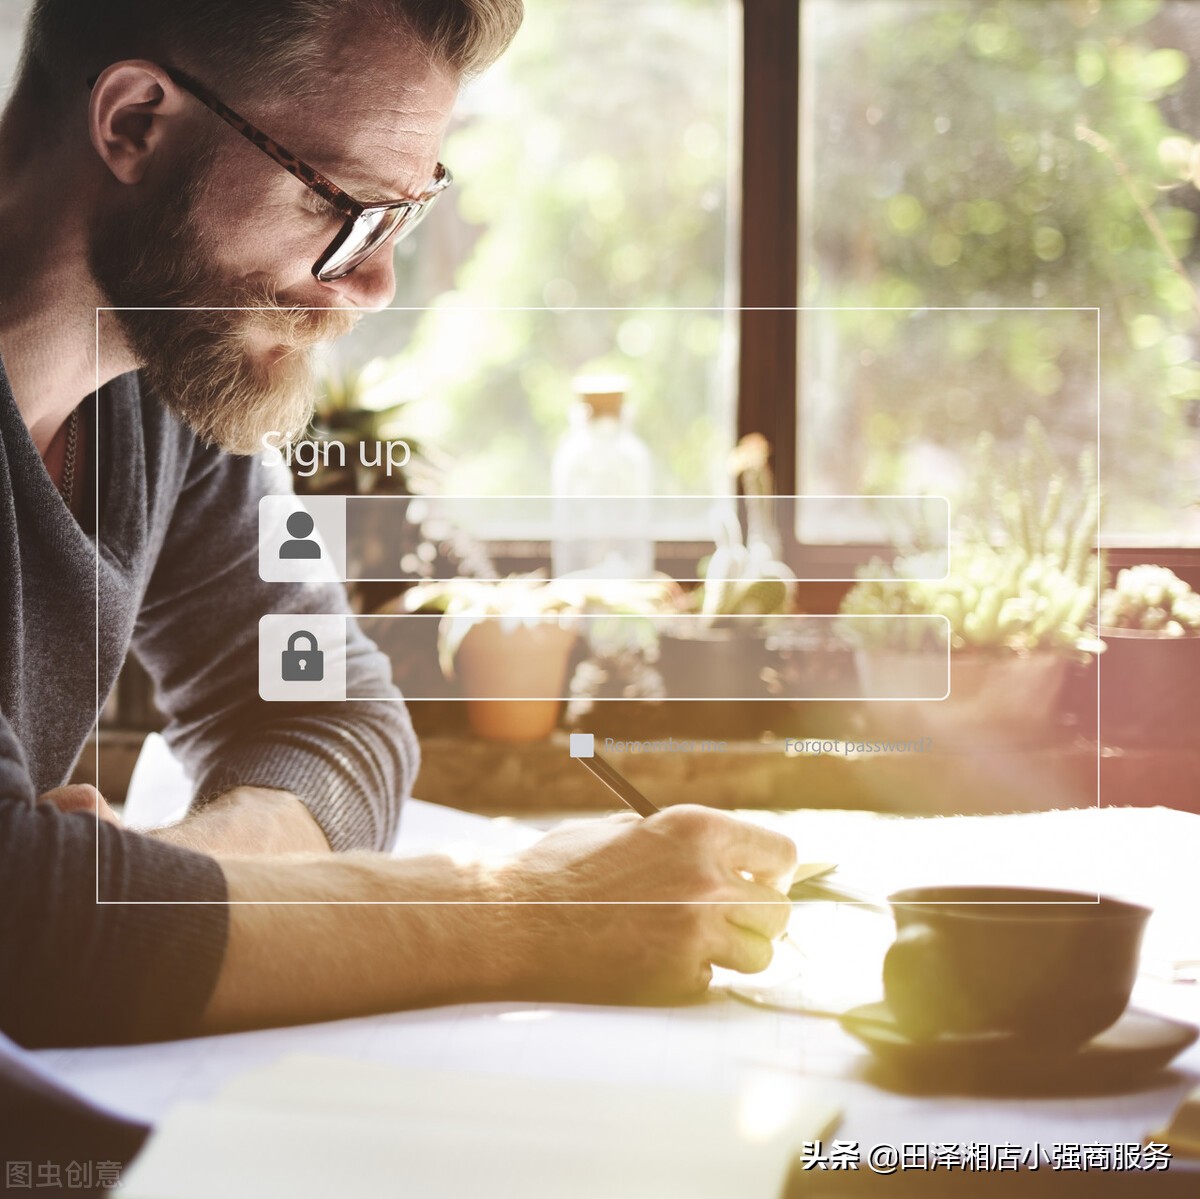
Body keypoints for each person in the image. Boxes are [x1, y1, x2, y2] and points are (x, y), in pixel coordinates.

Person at [0, 0, 797, 1052]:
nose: (373, 283)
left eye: (403, 217)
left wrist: (153, 893)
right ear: (136, 124)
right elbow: (25, 939)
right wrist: (530, 908)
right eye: (344, 204)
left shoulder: (160, 383)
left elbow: (336, 719)